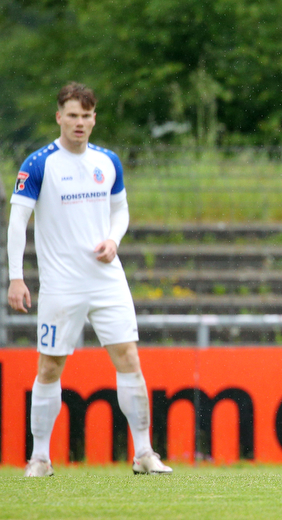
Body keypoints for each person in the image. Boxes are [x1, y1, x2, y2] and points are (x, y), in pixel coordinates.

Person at [7, 82, 172, 477]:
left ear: (94, 118)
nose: (79, 122)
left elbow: (121, 210)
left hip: (106, 280)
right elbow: (17, 221)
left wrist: (113, 240)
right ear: (59, 117)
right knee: (50, 366)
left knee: (128, 358)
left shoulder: (107, 161)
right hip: (61, 284)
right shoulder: (39, 164)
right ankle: (40, 458)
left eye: (86, 115)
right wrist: (16, 277)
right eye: (72, 115)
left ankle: (144, 453)